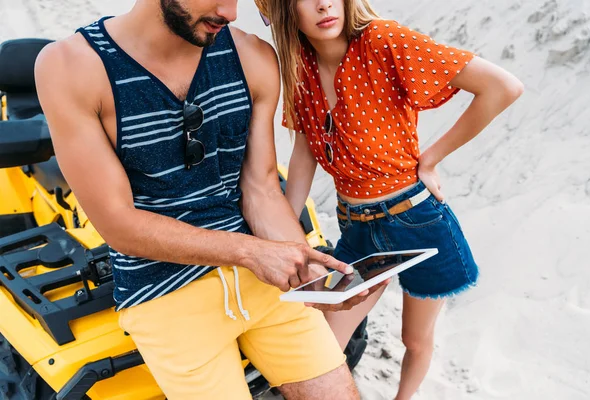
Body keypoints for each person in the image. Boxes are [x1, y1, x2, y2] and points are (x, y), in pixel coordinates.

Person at [33, 1, 374, 399]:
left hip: (263, 280)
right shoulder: (71, 66)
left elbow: (261, 189)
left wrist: (306, 270)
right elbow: (118, 224)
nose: (230, 12)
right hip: (163, 290)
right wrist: (250, 253)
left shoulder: (253, 58)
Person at [255, 0, 524, 399]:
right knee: (325, 343)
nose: (324, 4)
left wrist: (431, 159)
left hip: (414, 221)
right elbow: (304, 152)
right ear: (282, 11)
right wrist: (286, 235)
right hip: (356, 228)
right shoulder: (298, 69)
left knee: (414, 339)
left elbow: (503, 87)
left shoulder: (383, 41)